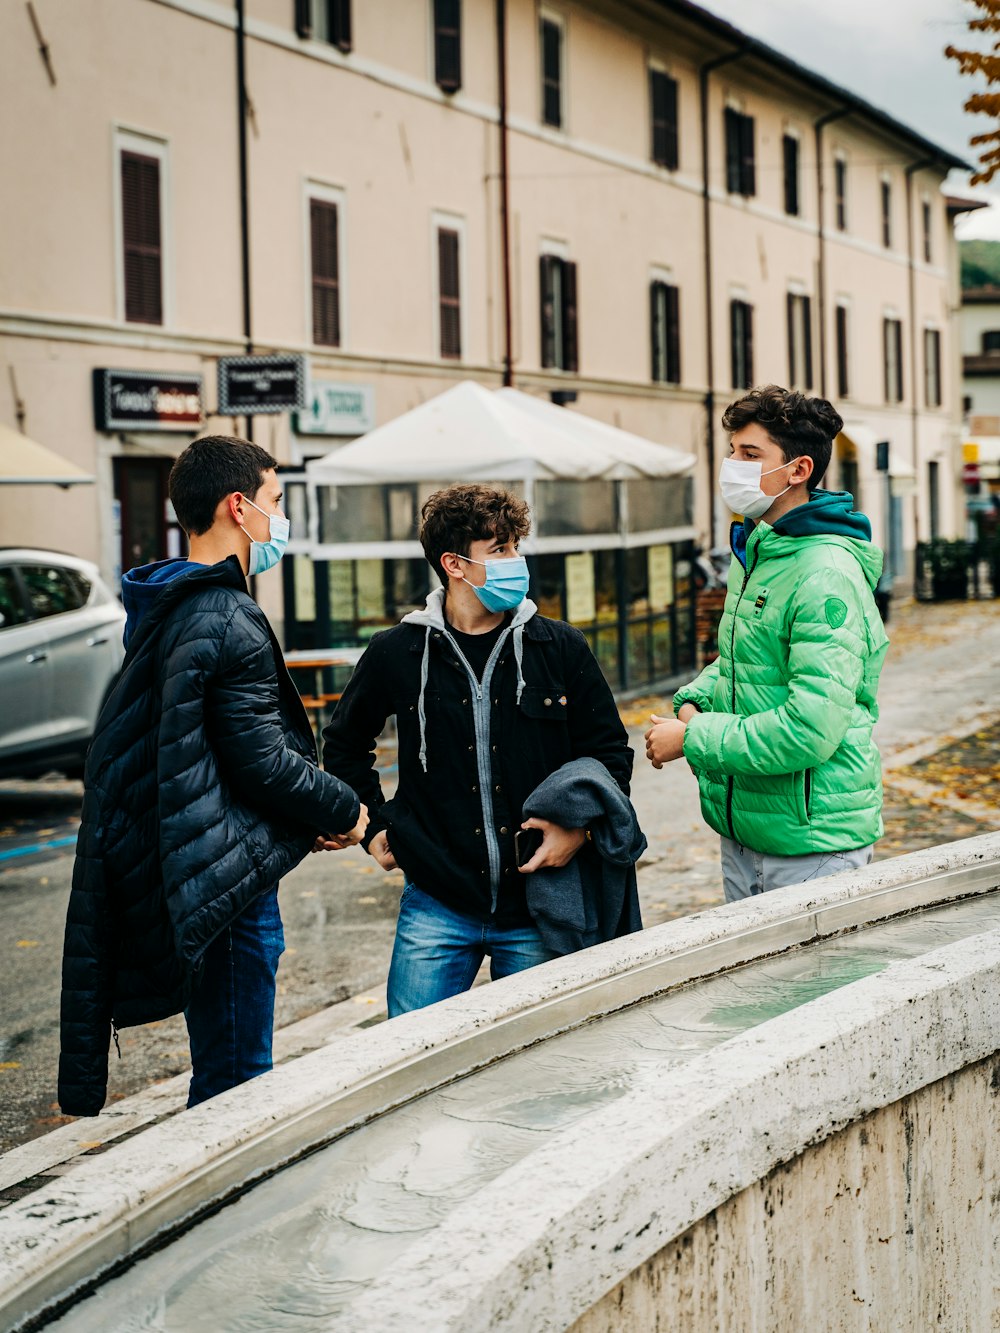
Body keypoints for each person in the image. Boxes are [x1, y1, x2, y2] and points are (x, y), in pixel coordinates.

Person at [59, 435, 367, 1117]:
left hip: (201, 865)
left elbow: (205, 756)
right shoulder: (227, 613)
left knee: (224, 1070)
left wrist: (291, 820)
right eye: (276, 501)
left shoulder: (165, 607)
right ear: (238, 504)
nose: (280, 521)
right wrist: (345, 810)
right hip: (227, 893)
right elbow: (261, 760)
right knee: (236, 1084)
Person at [322, 482, 635, 1016]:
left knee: (542, 1070)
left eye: (517, 547)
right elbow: (345, 744)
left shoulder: (558, 647)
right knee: (409, 1061)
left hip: (539, 904)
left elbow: (610, 754)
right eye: (501, 550)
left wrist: (579, 830)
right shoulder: (397, 651)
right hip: (436, 903)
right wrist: (374, 826)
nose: (517, 561)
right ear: (455, 564)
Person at [645, 385, 888, 901]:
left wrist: (693, 737)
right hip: (747, 829)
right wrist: (696, 697)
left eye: (750, 454)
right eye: (732, 451)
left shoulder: (823, 574)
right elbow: (749, 662)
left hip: (810, 843)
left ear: (798, 470)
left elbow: (809, 730)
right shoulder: (762, 551)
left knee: (816, 986)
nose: (732, 465)